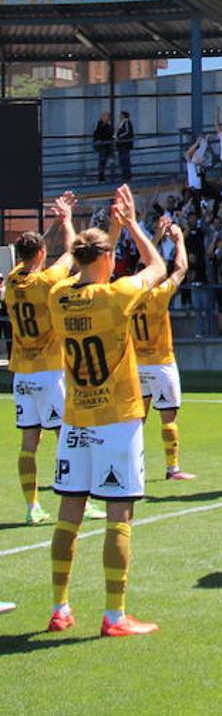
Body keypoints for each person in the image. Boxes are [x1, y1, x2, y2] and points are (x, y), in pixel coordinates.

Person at [47, 184, 166, 637]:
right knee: (119, 515)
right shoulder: (116, 296)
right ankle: (114, 615)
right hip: (116, 419)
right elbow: (156, 266)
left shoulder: (58, 298)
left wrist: (91, 230)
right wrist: (133, 224)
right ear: (107, 262)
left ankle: (60, 607)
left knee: (69, 515)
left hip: (76, 420)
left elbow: (81, 264)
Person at [5, 194, 93, 525]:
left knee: (29, 442)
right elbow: (72, 255)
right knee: (66, 437)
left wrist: (53, 226)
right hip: (50, 372)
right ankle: (79, 503)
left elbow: (33, 252)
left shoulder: (13, 281)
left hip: (22, 375)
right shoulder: (46, 282)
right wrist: (67, 220)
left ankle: (31, 507)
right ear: (41, 254)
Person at [131, 217, 195, 481]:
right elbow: (180, 268)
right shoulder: (159, 295)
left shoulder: (130, 295)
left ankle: (133, 466)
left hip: (136, 364)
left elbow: (140, 267)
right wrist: (179, 241)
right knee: (168, 418)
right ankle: (173, 468)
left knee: (136, 420)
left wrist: (155, 237)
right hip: (160, 362)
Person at [93, 112, 114, 183]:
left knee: (105, 162)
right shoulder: (100, 125)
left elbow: (109, 135)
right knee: (102, 162)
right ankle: (101, 177)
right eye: (106, 117)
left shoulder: (108, 125)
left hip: (107, 146)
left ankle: (103, 177)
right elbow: (97, 134)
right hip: (103, 146)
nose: (107, 119)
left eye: (108, 117)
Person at [115, 111, 134, 183]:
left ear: (124, 116)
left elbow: (127, 132)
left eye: (120, 115)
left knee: (124, 160)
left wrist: (119, 137)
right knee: (123, 161)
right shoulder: (122, 123)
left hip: (124, 144)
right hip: (122, 144)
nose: (119, 116)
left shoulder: (126, 122)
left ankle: (127, 176)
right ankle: (125, 176)